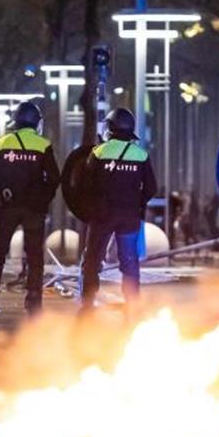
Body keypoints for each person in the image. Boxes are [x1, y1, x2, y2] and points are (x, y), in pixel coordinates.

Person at [0, 101, 60, 320]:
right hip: (34, 210)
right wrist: (42, 199)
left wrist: (1, 194)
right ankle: (34, 306)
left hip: (7, 208)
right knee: (34, 258)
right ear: (36, 122)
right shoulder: (43, 145)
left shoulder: (2, 142)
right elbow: (54, 178)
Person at [77, 108, 157, 314]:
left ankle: (87, 302)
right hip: (129, 217)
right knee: (129, 261)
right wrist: (136, 202)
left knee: (93, 259)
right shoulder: (141, 154)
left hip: (102, 216)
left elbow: (84, 184)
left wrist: (93, 206)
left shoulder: (99, 152)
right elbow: (151, 188)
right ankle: (132, 302)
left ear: (110, 128)